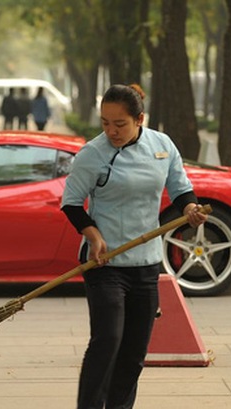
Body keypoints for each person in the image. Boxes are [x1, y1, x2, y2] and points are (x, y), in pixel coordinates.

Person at [60, 84, 207, 409]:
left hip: (145, 264)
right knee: (108, 340)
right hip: (104, 265)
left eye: (120, 124)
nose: (111, 131)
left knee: (134, 352)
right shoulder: (92, 154)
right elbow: (71, 203)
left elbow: (181, 189)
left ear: (140, 118)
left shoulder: (162, 145)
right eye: (105, 123)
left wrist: (189, 210)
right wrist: (93, 235)